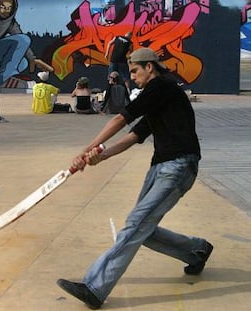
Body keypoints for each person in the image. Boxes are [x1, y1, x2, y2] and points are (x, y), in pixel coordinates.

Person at [57, 47, 213, 309]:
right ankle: (196, 251)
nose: (133, 76)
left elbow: (120, 118)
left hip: (179, 166)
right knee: (144, 230)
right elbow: (133, 137)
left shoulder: (162, 87)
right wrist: (98, 157)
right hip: (162, 168)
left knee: (135, 224)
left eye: (135, 71)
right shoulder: (159, 97)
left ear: (150, 67)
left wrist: (86, 149)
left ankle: (95, 288)